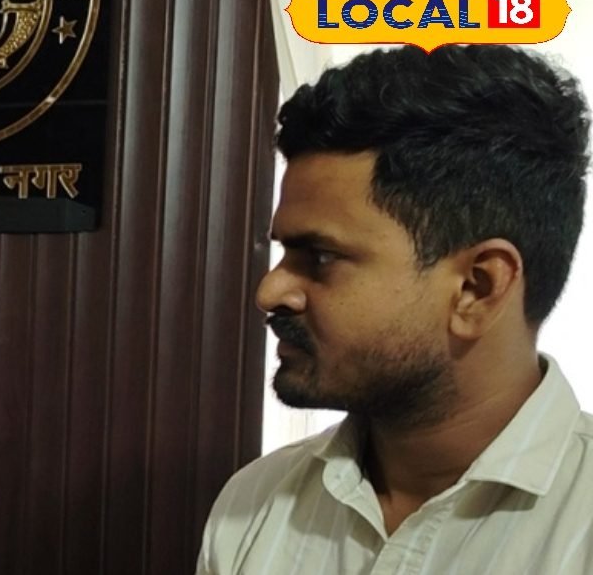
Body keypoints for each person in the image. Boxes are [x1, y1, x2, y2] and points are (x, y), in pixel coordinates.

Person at [198, 45, 593, 574]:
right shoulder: (255, 506)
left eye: (320, 257)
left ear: (476, 288)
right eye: (284, 253)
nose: (270, 292)